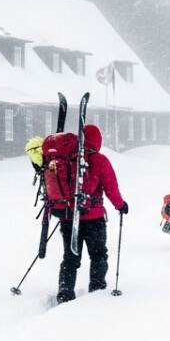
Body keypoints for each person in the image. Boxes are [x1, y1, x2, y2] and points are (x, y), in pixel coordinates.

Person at [44, 123, 128, 304]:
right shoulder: (99, 160)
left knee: (70, 257)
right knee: (98, 255)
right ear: (97, 140)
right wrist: (120, 205)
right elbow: (111, 188)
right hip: (93, 218)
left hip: (67, 216)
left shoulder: (67, 159)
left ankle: (65, 292)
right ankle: (96, 290)